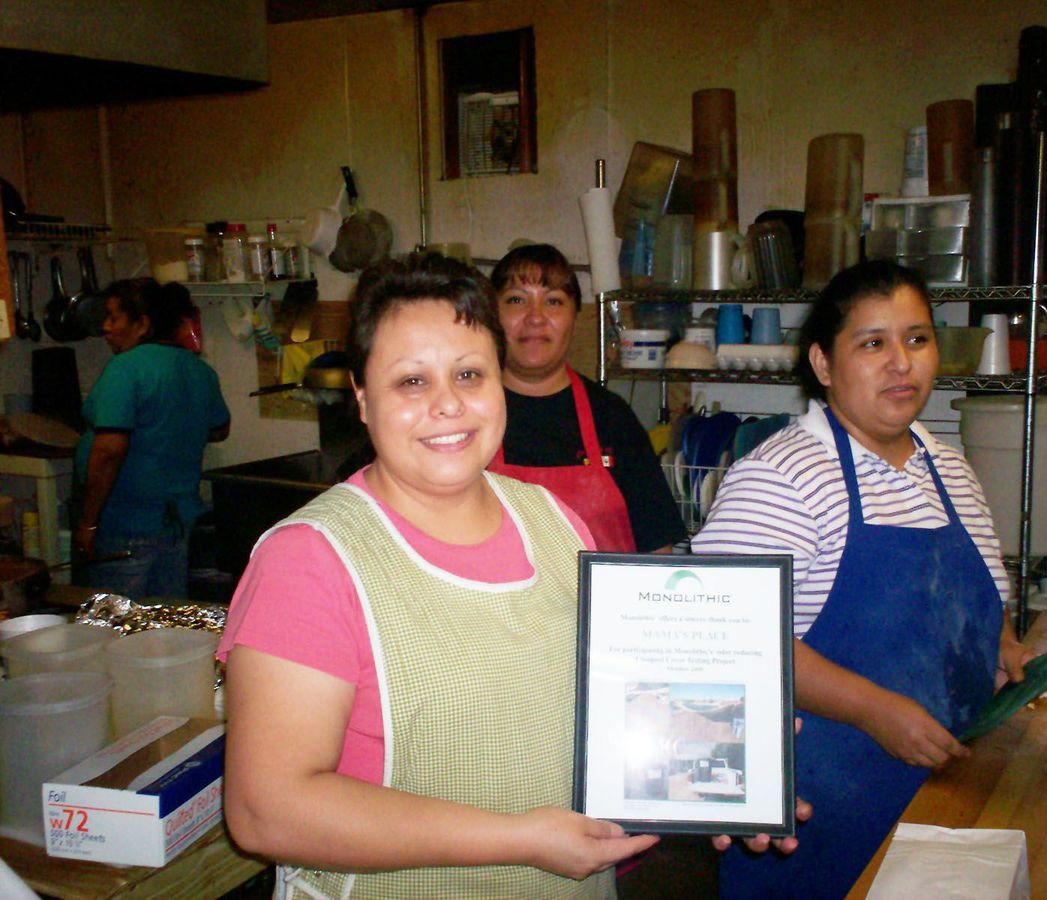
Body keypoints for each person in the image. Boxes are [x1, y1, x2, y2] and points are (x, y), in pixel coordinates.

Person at [218, 252, 660, 898]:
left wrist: (728, 762)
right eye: (412, 383)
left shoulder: (555, 523)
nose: (448, 405)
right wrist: (521, 840)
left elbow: (608, 704)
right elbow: (266, 809)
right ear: (363, 400)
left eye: (469, 374)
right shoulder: (311, 560)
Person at [692, 260, 1031, 899]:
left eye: (917, 339)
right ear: (823, 365)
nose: (901, 362)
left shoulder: (952, 471)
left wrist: (1005, 647)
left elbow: (982, 601)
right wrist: (876, 711)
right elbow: (726, 640)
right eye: (873, 343)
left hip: (939, 790)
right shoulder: (782, 477)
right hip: (817, 806)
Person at [486, 243, 686, 552]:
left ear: (574, 316)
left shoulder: (611, 416)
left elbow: (657, 547)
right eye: (516, 300)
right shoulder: (466, 413)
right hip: (495, 601)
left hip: (601, 601)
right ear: (492, 314)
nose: (535, 317)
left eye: (553, 301)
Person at [72, 277, 230, 600]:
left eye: (114, 317)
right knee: (162, 631)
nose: (105, 327)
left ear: (142, 324)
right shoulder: (198, 370)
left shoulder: (126, 368)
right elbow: (220, 428)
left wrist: (88, 523)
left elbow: (109, 451)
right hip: (176, 525)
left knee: (117, 632)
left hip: (126, 524)